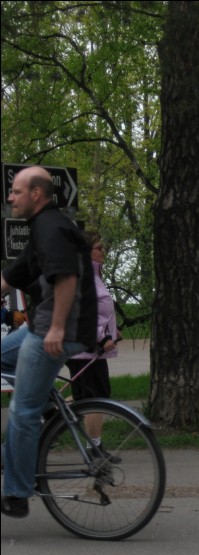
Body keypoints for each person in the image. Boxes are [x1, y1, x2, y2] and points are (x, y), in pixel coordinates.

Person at [1, 166, 97, 519]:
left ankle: (16, 492)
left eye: (16, 191)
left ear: (36, 194)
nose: (10, 197)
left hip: (56, 330)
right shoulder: (42, 227)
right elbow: (11, 277)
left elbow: (67, 277)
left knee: (21, 412)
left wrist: (56, 329)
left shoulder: (51, 229)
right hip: (45, 326)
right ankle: (50, 411)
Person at [66, 232, 121, 463]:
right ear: (87, 251)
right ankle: (94, 449)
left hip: (92, 348)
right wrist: (101, 338)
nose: (103, 251)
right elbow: (80, 312)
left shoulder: (94, 274)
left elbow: (99, 311)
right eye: (98, 247)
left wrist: (112, 332)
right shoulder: (84, 275)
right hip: (85, 348)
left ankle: (47, 413)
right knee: (95, 398)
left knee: (87, 397)